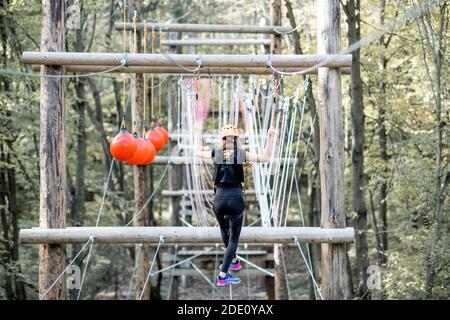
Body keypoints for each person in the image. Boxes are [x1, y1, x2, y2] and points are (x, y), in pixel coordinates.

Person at [195, 124, 276, 286]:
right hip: (234, 198)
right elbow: (265, 157)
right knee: (233, 240)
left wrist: (197, 134)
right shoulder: (241, 154)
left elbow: (197, 152)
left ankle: (232, 259)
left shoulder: (215, 153)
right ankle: (223, 275)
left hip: (218, 198)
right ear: (236, 139)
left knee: (223, 229)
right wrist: (270, 139)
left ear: (222, 140)